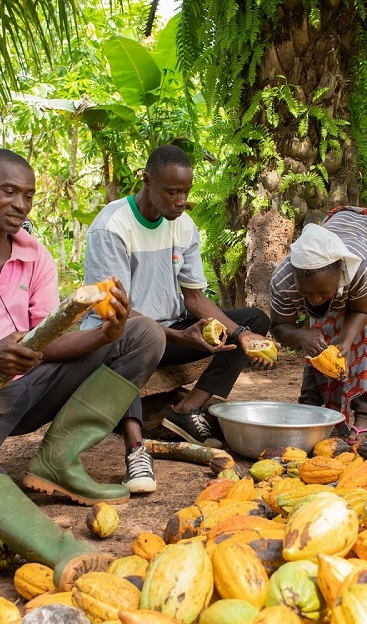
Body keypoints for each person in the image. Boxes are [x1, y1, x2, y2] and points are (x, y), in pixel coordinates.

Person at [0, 148, 165, 591]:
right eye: (10, 191)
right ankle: (55, 548)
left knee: (144, 332)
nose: (21, 204)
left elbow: (47, 343)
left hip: (31, 386)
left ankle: (58, 461)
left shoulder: (34, 254)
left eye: (29, 195)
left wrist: (104, 337)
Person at [82, 144, 272, 483]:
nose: (181, 201)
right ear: (147, 180)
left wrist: (242, 334)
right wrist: (177, 336)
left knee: (254, 320)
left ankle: (187, 409)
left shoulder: (183, 226)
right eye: (173, 192)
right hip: (117, 333)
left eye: (186, 192)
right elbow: (113, 311)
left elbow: (195, 298)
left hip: (172, 331)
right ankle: (136, 450)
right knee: (131, 340)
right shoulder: (111, 227)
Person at [269, 206, 367, 442]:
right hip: (341, 233)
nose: (314, 300)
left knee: (366, 333)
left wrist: (345, 341)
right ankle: (313, 404)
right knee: (319, 336)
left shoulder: (363, 268)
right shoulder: (284, 281)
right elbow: (280, 327)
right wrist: (302, 336)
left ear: (340, 272)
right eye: (306, 293)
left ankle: (363, 414)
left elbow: (360, 310)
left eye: (323, 293)